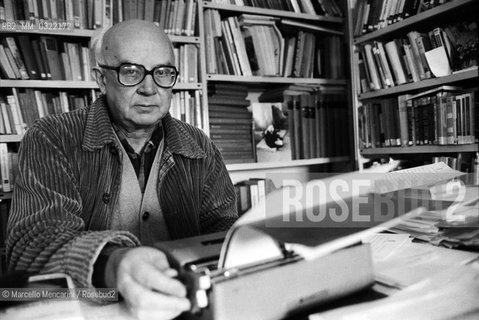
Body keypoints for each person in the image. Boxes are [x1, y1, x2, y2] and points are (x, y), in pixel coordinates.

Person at [7, 20, 238, 319]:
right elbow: (32, 245)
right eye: (131, 72)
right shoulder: (51, 137)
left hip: (186, 307)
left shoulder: (199, 145)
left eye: (163, 73)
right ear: (101, 80)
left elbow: (225, 235)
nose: (149, 88)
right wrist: (115, 265)